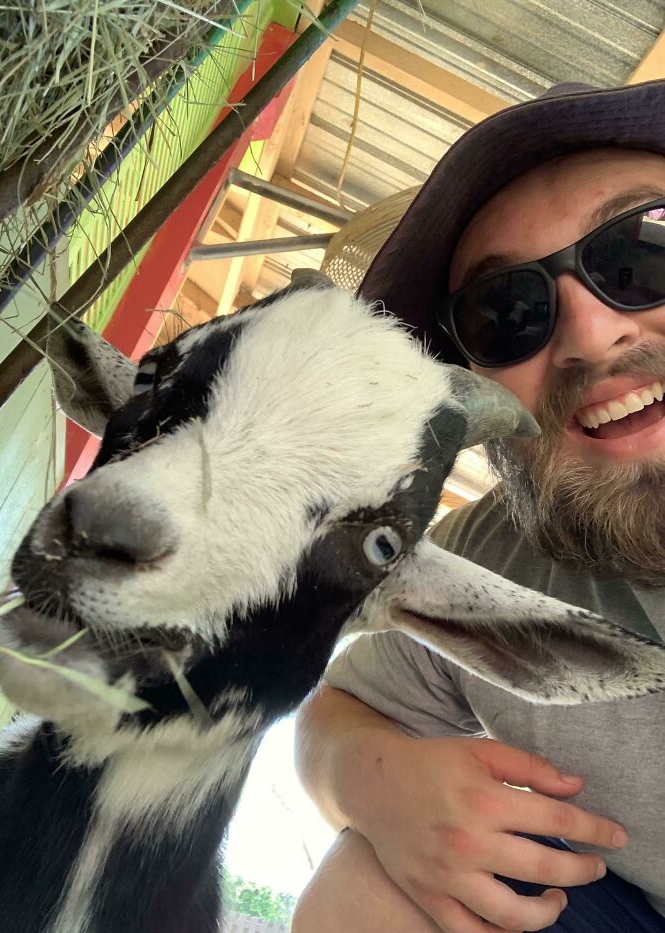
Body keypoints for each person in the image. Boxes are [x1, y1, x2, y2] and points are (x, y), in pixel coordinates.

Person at [292, 81, 665, 933]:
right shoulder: (484, 560)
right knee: (374, 881)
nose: (588, 332)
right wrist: (371, 779)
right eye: (506, 314)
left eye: (644, 252)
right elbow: (335, 712)